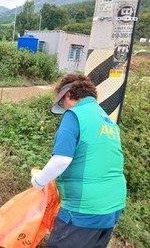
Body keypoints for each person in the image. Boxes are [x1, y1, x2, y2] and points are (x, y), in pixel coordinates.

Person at [31, 73, 127, 248]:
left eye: (62, 102)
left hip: (85, 209)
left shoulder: (74, 115)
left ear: (68, 94)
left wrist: (38, 181)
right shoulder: (105, 119)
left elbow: (61, 160)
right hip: (113, 206)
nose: (64, 106)